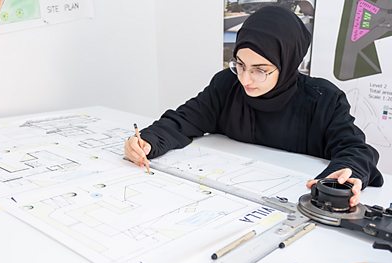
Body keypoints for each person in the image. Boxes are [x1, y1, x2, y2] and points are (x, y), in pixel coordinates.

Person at [124, 6, 383, 206]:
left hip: (291, 205)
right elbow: (184, 120)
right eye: (240, 64)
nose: (246, 79)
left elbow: (354, 149)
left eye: (260, 70)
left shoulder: (323, 99)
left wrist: (344, 173)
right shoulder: (227, 85)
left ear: (288, 62)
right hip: (230, 199)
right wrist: (148, 141)